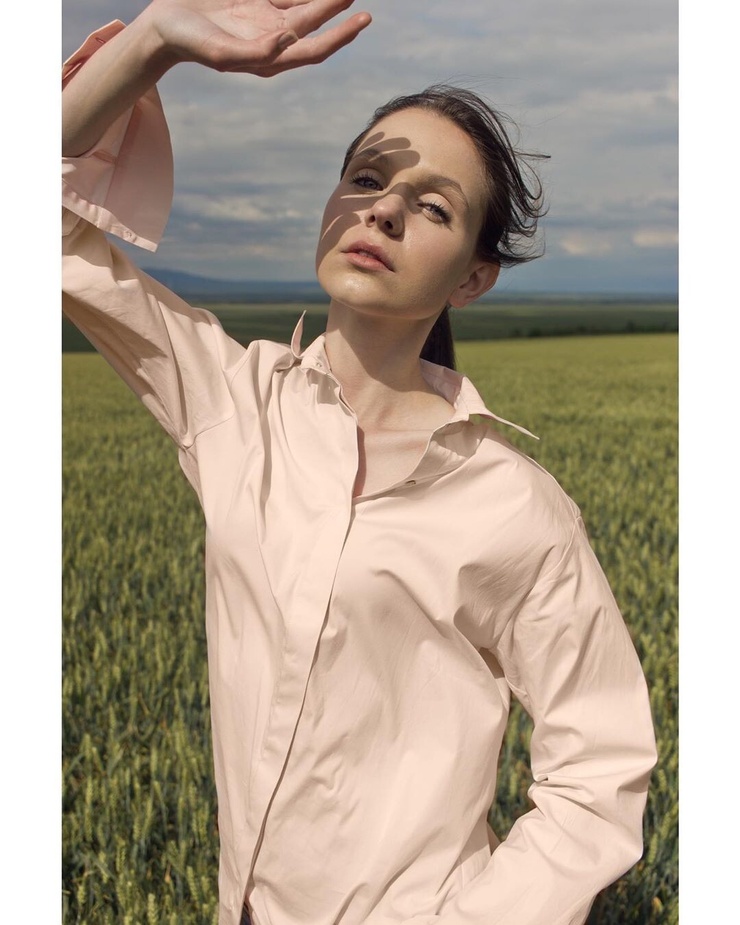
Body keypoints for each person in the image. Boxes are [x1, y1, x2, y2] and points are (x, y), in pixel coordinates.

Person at [62, 2, 658, 924]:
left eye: (432, 207)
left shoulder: (515, 506)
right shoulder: (236, 407)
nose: (381, 208)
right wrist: (155, 39)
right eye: (367, 178)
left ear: (473, 277)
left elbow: (600, 771)